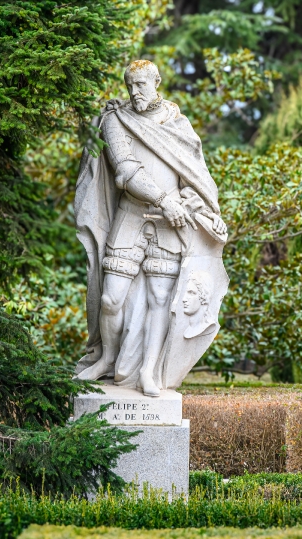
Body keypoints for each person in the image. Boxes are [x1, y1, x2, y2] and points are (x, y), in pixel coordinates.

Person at [74, 60, 226, 396]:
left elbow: (193, 176)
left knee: (161, 299)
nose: (134, 91)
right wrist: (164, 200)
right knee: (111, 298)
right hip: (130, 217)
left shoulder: (176, 121)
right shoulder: (115, 119)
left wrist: (187, 202)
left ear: (156, 81)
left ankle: (148, 371)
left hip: (170, 226)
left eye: (141, 84)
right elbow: (124, 171)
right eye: (129, 85)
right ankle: (108, 360)